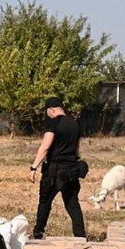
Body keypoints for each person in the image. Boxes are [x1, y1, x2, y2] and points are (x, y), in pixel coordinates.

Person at [29, 96, 86, 239]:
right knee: (72, 204)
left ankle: (38, 232)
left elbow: (45, 147)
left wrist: (34, 167)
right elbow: (77, 149)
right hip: (71, 169)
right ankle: (80, 236)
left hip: (54, 171)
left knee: (45, 202)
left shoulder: (53, 123)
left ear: (51, 109)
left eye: (47, 112)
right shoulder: (75, 124)